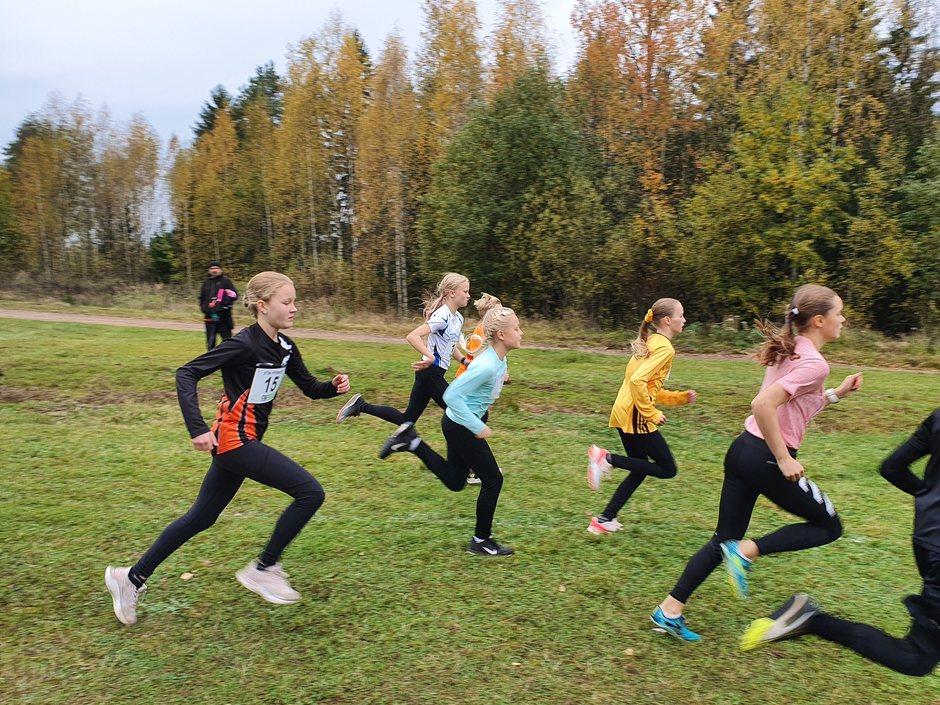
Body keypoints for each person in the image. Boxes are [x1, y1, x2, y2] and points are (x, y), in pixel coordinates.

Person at [105, 272, 351, 625]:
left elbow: (309, 387)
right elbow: (186, 373)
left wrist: (332, 387)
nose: (294, 308)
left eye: (295, 301)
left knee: (201, 517)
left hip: (239, 444)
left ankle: (130, 578)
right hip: (235, 442)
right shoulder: (243, 344)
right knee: (310, 493)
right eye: (286, 302)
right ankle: (263, 568)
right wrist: (197, 427)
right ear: (262, 306)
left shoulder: (285, 347)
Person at [649, 284, 863, 642]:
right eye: (839, 313)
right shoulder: (814, 363)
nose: (843, 319)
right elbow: (763, 404)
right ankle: (747, 551)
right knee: (829, 526)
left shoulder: (793, 348)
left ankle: (669, 610)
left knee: (723, 537)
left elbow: (796, 405)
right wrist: (783, 458)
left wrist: (836, 394)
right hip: (766, 458)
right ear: (819, 320)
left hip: (743, 451)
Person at [741, 409, 940, 677]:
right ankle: (810, 620)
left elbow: (892, 468)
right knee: (916, 658)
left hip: (928, 538)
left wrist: (930, 498)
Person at [377, 306, 523, 556]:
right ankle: (481, 540)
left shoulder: (498, 359)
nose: (521, 333)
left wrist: (500, 380)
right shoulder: (486, 365)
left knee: (455, 481)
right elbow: (451, 395)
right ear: (501, 335)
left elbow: (484, 386)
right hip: (462, 426)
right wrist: (477, 425)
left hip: (457, 423)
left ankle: (412, 442)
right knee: (493, 480)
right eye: (517, 328)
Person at [585, 298, 697, 534]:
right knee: (667, 468)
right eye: (681, 315)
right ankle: (606, 459)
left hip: (624, 409)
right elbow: (638, 381)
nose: (684, 320)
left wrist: (679, 398)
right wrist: (651, 413)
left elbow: (648, 387)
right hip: (636, 414)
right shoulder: (664, 348)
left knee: (640, 468)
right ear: (668, 320)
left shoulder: (651, 340)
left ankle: (605, 519)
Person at [334, 272, 470, 426]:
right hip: (430, 371)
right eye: (465, 291)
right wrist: (430, 356)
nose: (468, 295)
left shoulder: (458, 318)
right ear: (452, 293)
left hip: (432, 373)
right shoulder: (442, 316)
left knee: (406, 420)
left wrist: (464, 361)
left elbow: (450, 345)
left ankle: (360, 405)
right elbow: (413, 336)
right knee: (460, 412)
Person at [199, 260, 238, 350]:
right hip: (209, 317)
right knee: (210, 342)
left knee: (227, 342)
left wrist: (224, 303)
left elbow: (234, 295)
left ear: (220, 270)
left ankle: (229, 357)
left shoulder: (226, 281)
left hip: (224, 316)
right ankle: (211, 358)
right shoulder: (206, 282)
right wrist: (204, 308)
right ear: (209, 270)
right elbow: (201, 298)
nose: (214, 270)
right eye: (212, 268)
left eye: (216, 268)